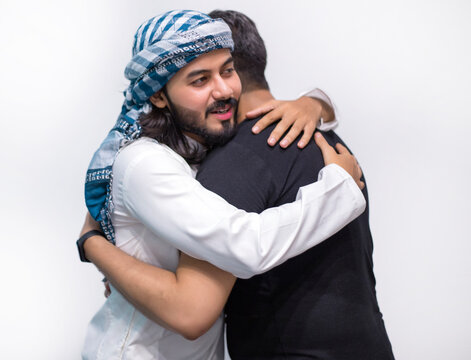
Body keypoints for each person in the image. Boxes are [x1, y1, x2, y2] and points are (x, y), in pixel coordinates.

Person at [78, 10, 365, 360]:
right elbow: (246, 245)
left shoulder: (200, 147)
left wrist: (313, 103)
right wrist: (338, 188)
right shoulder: (145, 164)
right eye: (200, 80)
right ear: (158, 96)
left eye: (227, 70)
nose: (225, 89)